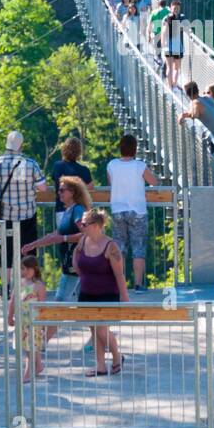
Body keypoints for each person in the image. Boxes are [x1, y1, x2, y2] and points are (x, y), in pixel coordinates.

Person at [0, 130, 48, 279]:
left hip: (4, 215)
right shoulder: (30, 164)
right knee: (27, 251)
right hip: (27, 215)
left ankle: (6, 289)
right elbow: (43, 187)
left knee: (5, 251)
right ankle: (26, 286)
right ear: (21, 146)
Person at [74, 208, 129, 375]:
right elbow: (76, 254)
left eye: (84, 224)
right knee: (94, 329)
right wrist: (77, 267)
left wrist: (125, 297)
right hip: (86, 293)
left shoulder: (110, 246)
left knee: (102, 328)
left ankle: (117, 357)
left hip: (107, 294)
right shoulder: (83, 241)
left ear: (97, 225)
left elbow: (119, 274)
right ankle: (100, 366)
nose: (81, 227)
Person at [24, 175, 91, 302]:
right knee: (84, 302)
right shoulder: (68, 211)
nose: (59, 193)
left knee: (59, 302)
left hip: (76, 264)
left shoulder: (77, 210)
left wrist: (64, 238)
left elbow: (87, 235)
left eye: (62, 190)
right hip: (71, 264)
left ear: (72, 192)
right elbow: (53, 236)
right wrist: (33, 245)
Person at [107, 134, 158, 290]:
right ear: (135, 149)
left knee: (120, 248)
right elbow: (154, 182)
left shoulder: (112, 165)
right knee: (138, 248)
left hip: (117, 210)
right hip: (137, 211)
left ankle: (119, 283)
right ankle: (138, 284)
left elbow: (111, 183)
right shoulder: (139, 166)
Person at [8, 256, 49, 383]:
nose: (24, 271)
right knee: (27, 347)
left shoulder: (39, 285)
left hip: (34, 322)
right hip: (22, 321)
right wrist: (10, 316)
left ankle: (28, 372)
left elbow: (42, 306)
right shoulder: (19, 283)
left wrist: (43, 322)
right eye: (22, 269)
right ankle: (39, 365)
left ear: (34, 269)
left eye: (26, 269)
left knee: (31, 346)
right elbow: (13, 300)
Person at [178, 80, 214, 148]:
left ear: (187, 93)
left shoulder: (194, 102)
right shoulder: (209, 98)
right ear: (198, 90)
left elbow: (195, 115)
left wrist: (183, 115)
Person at [161, 0, 184, 88]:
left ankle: (170, 86)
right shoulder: (181, 18)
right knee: (176, 68)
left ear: (170, 8)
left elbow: (163, 32)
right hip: (177, 45)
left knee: (169, 67)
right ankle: (174, 85)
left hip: (167, 46)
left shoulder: (166, 19)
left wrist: (163, 45)